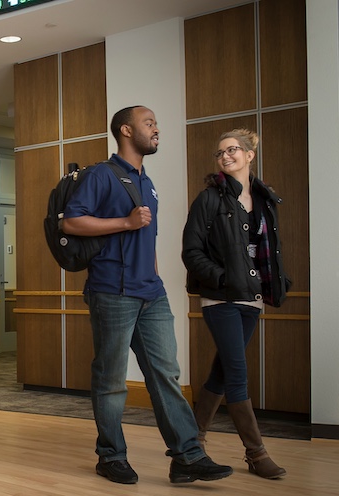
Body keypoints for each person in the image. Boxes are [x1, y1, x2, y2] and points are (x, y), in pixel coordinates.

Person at [61, 105, 233, 484]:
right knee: (111, 379)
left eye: (156, 123)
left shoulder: (146, 180)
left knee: (166, 374)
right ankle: (110, 456)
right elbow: (71, 220)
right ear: (126, 130)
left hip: (150, 292)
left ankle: (187, 456)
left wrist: (154, 273)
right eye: (149, 123)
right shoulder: (101, 175)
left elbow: (146, 235)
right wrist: (124, 221)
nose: (157, 129)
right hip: (111, 291)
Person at [182, 128, 290, 479]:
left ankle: (191, 446)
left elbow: (268, 250)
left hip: (252, 300)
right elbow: (191, 252)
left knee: (223, 372)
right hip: (222, 298)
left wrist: (278, 279)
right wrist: (223, 278)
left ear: (249, 155)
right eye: (219, 153)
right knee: (238, 374)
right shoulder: (209, 199)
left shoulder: (264, 201)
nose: (225, 156)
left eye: (232, 150)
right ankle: (256, 455)